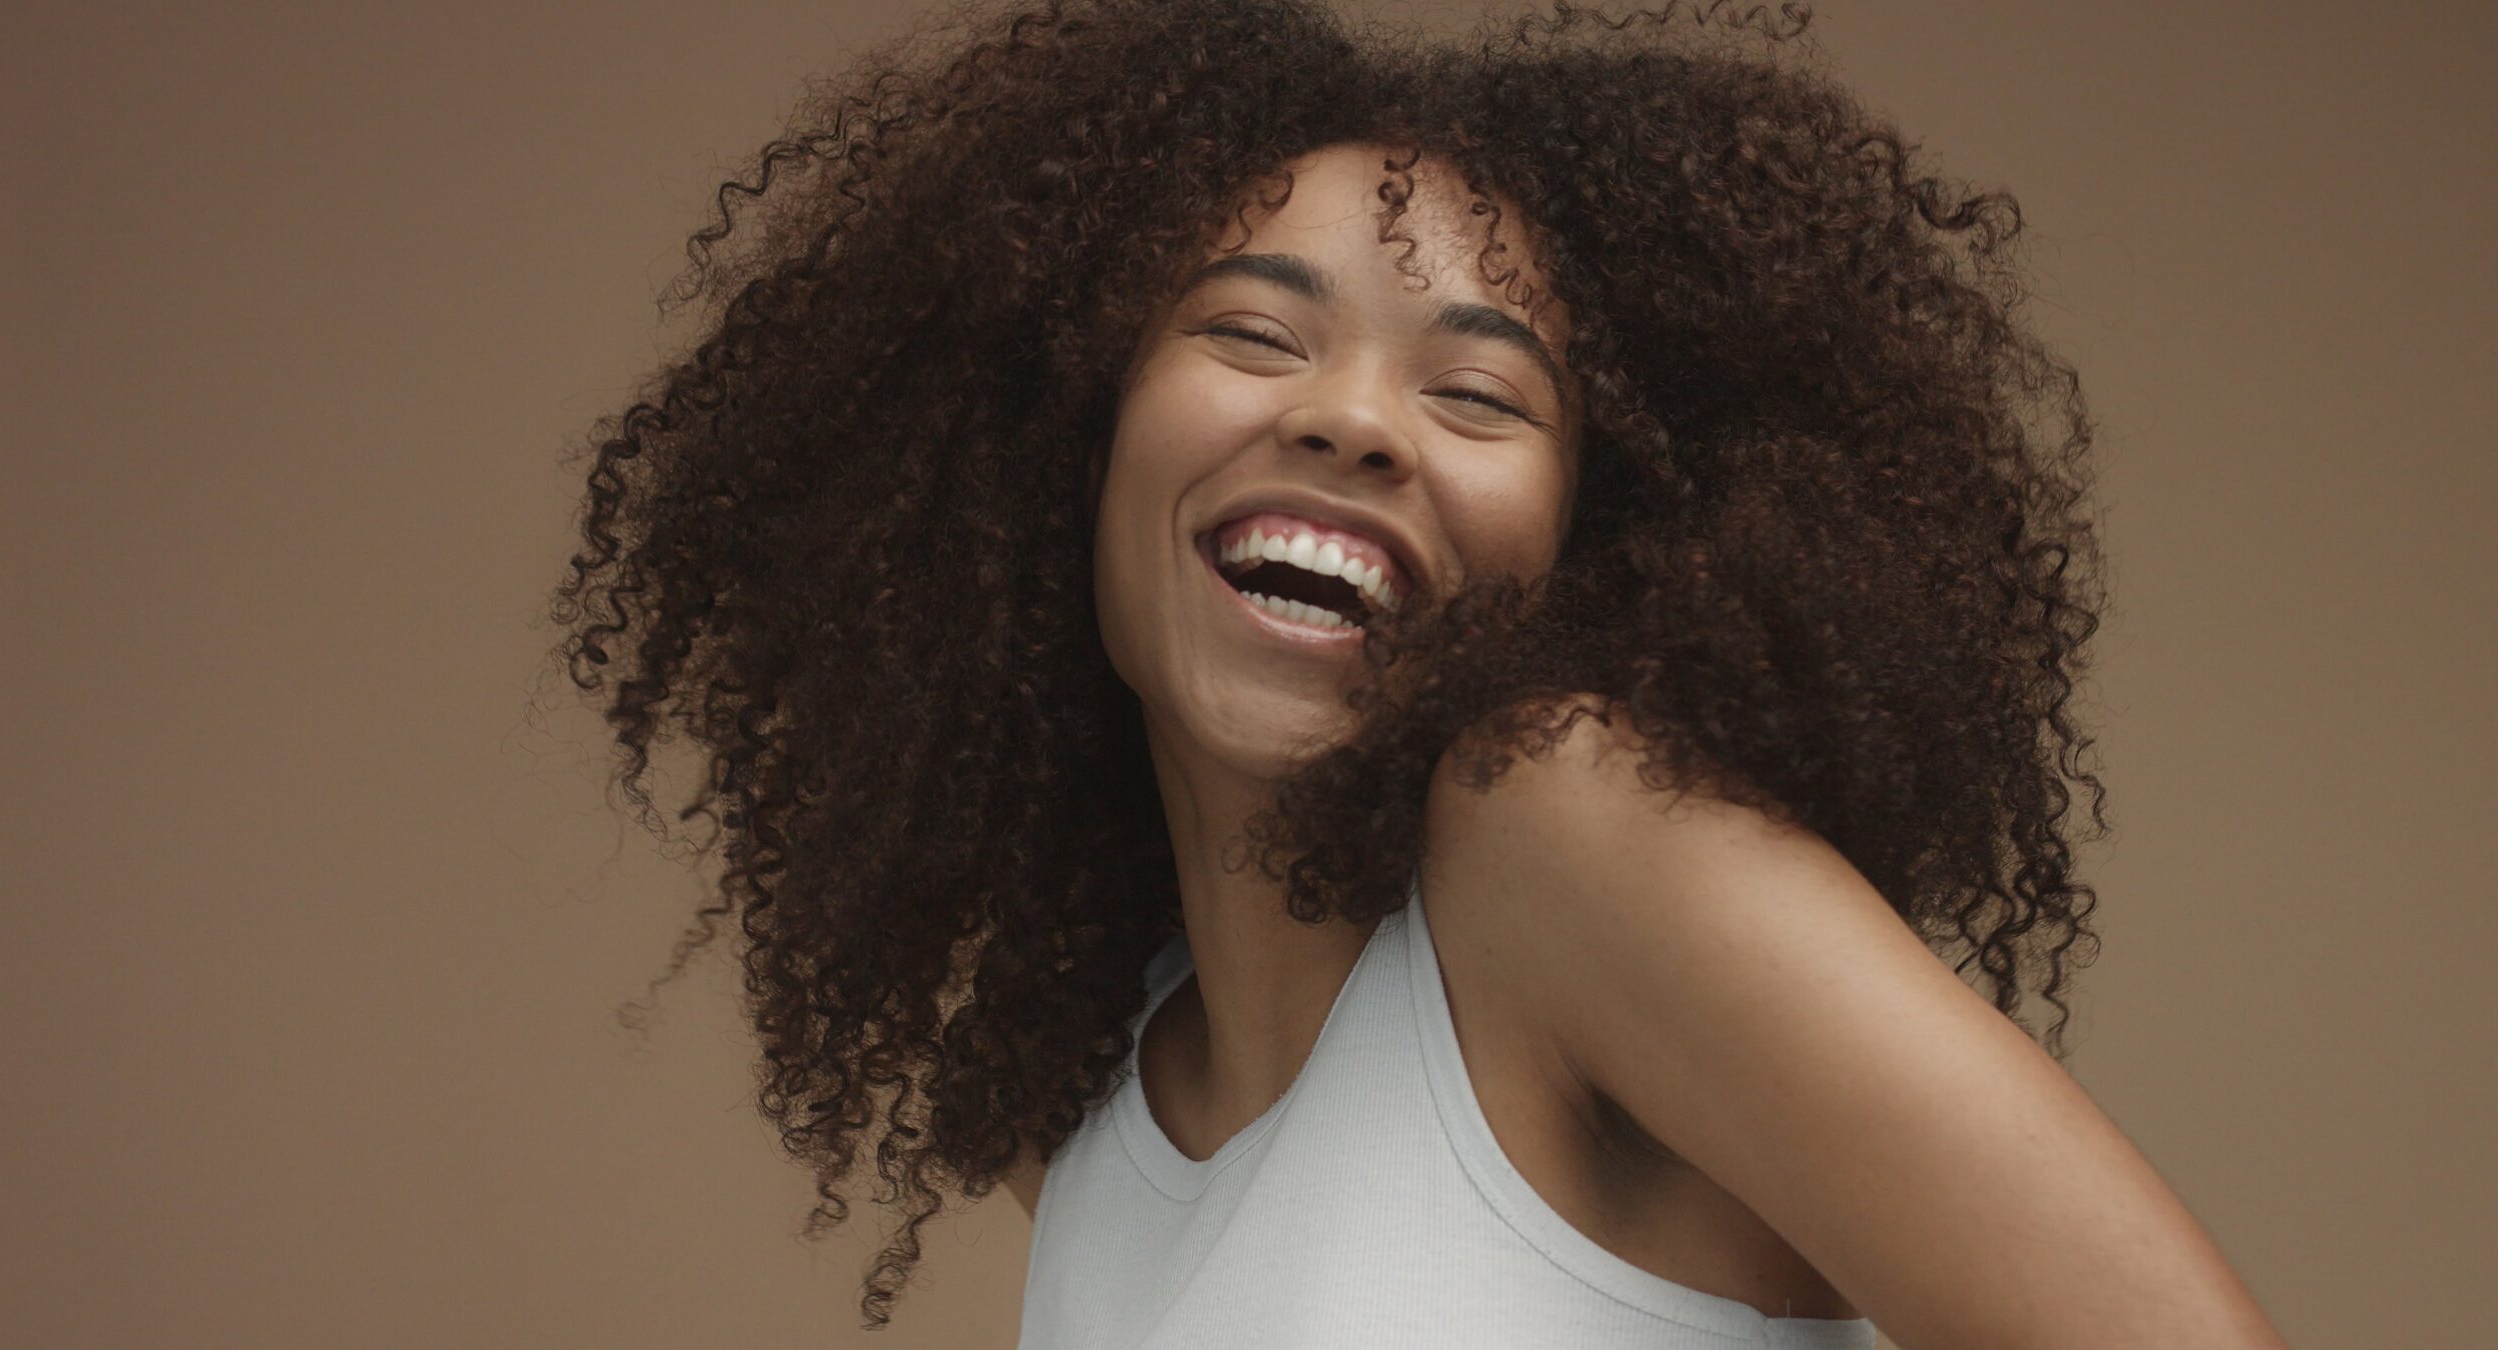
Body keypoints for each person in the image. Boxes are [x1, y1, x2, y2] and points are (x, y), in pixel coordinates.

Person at [549, 1, 2290, 1345]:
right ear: (1063, 446)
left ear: (1597, 538)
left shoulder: (1563, 828)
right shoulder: (1105, 1115)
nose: (1349, 417)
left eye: (1479, 392)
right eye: (1251, 331)